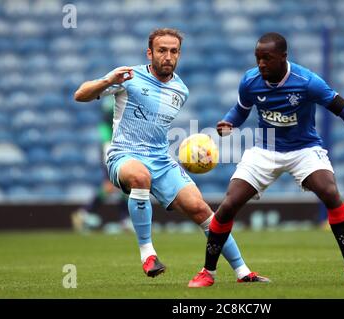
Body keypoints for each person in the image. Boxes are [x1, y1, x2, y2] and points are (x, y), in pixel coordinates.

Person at [74, 28, 268, 282]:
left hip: (161, 160)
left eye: (173, 51)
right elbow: (80, 95)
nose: (168, 56)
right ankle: (148, 255)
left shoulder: (181, 91)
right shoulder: (128, 77)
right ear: (150, 53)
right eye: (162, 50)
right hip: (123, 154)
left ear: (179, 54)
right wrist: (108, 80)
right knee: (140, 176)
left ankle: (243, 272)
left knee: (200, 209)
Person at [188, 32, 344, 288]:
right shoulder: (250, 81)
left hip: (304, 149)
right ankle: (208, 272)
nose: (261, 63)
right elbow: (240, 111)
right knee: (229, 204)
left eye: (267, 58)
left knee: (330, 193)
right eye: (257, 58)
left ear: (283, 57)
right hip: (265, 150)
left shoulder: (307, 82)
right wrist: (229, 122)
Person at [71, 95, 131, 233]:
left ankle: (124, 219)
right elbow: (106, 143)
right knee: (111, 185)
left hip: (115, 148)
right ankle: (85, 213)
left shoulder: (114, 119)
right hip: (110, 150)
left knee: (124, 184)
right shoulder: (107, 125)